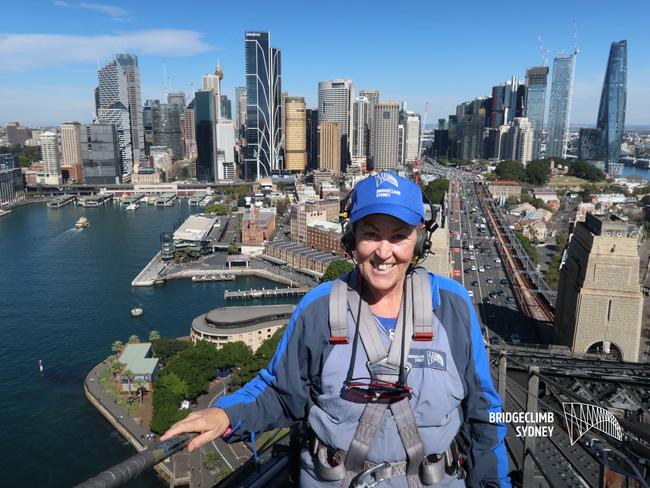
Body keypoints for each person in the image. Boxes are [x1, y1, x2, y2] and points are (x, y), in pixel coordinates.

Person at [162, 172, 511, 487]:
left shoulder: (451, 306)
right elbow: (281, 391)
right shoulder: (319, 308)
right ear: (352, 240)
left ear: (417, 242)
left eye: (399, 237)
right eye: (371, 235)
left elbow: (484, 412)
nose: (383, 252)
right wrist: (226, 413)